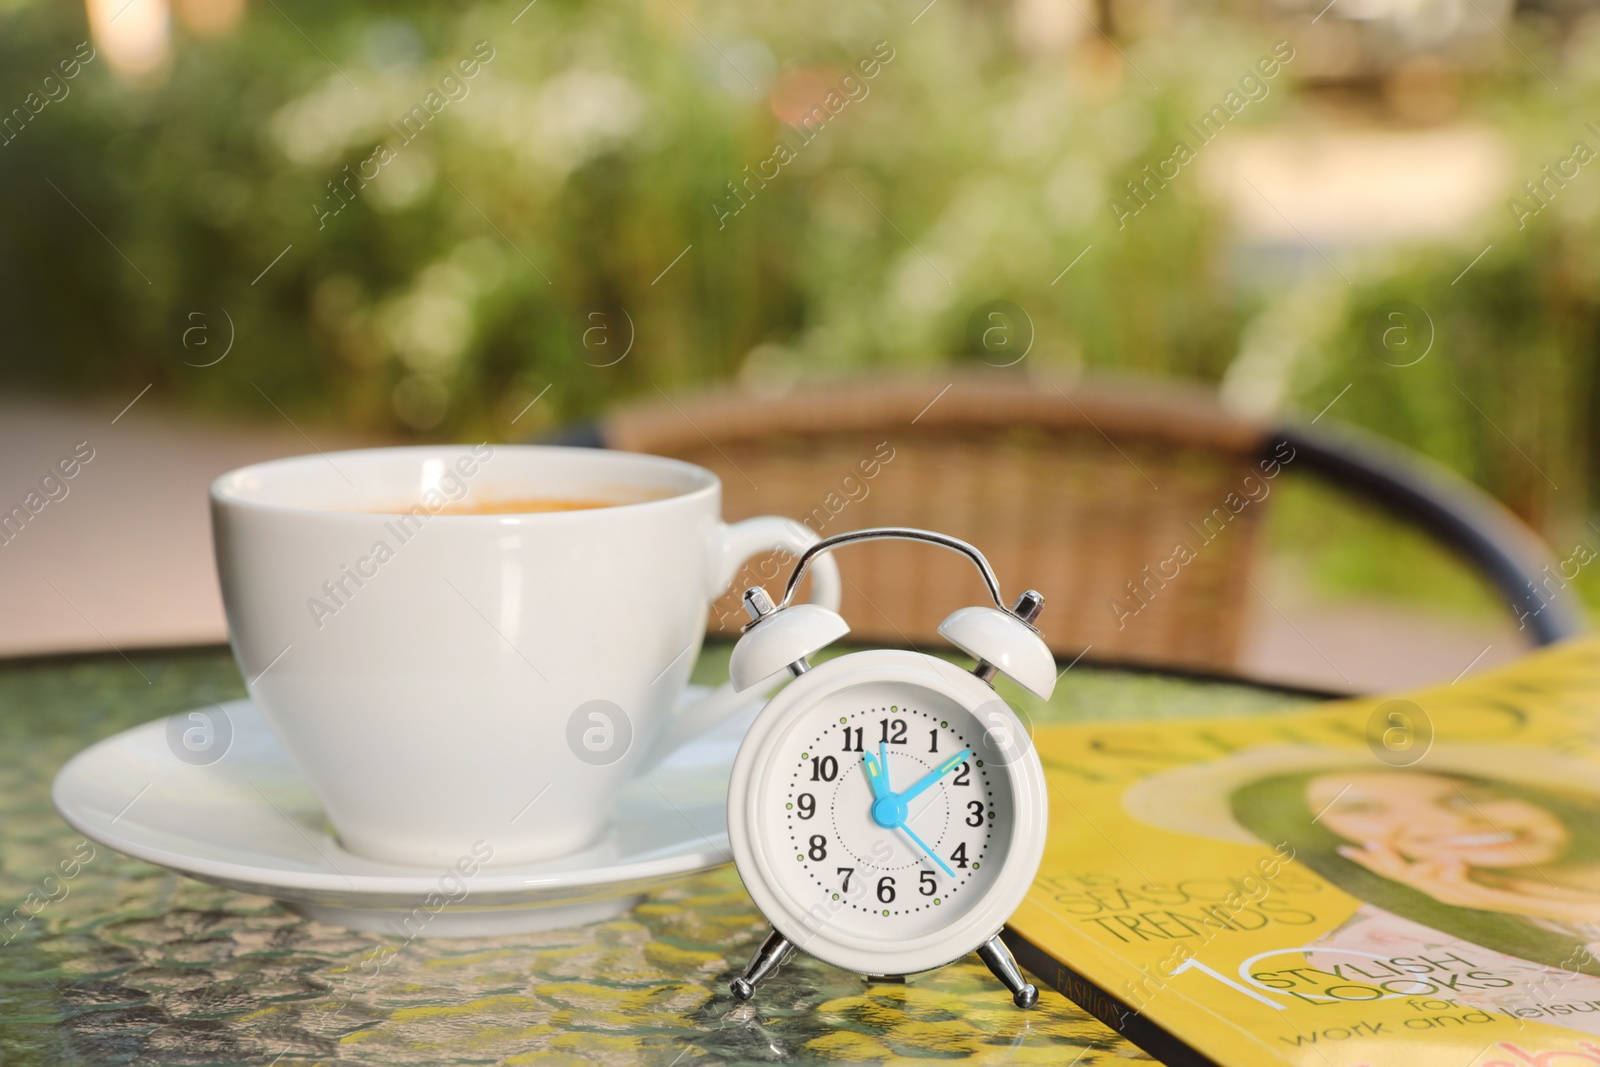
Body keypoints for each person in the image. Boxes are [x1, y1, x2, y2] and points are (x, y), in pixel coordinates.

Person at [1230, 768, 1600, 975]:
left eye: (1465, 797)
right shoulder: (1390, 952)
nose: (1450, 819)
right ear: (1318, 836)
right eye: (1362, 810)